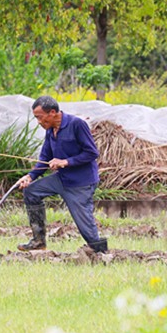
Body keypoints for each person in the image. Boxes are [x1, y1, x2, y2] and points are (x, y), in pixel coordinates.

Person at [16, 95, 108, 253]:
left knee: (85, 226)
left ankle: (102, 253)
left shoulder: (76, 124)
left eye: (39, 117)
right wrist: (30, 176)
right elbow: (45, 158)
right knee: (31, 191)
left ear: (52, 112)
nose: (38, 122)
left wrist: (65, 162)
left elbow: (92, 153)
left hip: (81, 183)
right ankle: (39, 242)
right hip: (61, 179)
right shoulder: (51, 130)